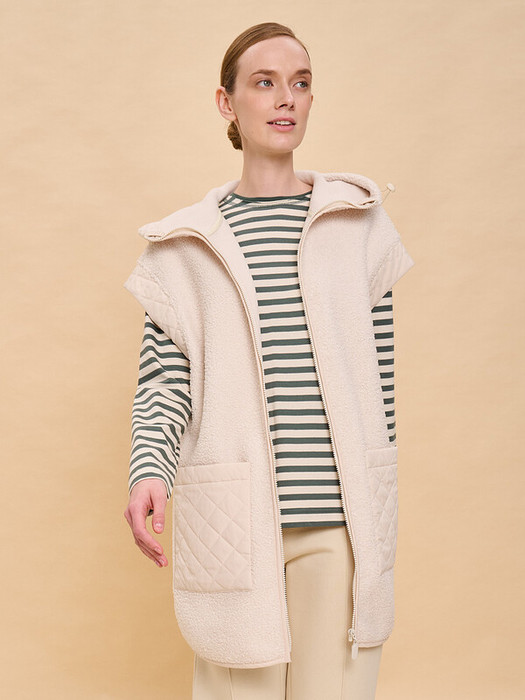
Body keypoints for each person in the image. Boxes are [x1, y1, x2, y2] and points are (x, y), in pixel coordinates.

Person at [123, 21, 414, 700]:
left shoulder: (359, 225)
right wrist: (148, 469)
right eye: (264, 82)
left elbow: (381, 384)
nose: (286, 98)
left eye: (300, 83)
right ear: (226, 102)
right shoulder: (184, 246)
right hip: (236, 520)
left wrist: (377, 495)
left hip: (339, 524)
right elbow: (163, 382)